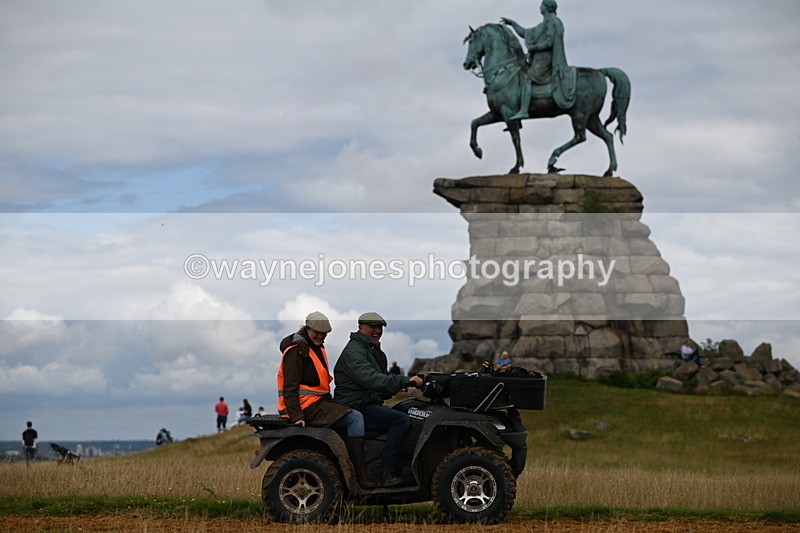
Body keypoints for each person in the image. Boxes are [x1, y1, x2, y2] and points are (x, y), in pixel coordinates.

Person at [278, 311, 375, 489]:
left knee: (351, 413)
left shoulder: (315, 348)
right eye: (316, 332)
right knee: (355, 418)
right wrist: (296, 416)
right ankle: (359, 475)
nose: (320, 336)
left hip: (318, 404)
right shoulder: (297, 351)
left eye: (324, 333)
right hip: (306, 407)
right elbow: (289, 387)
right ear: (307, 329)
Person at [334, 312, 423, 487]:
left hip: (365, 403)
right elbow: (371, 379)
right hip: (355, 406)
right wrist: (406, 381)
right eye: (372, 327)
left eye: (379, 327)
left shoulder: (369, 350)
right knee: (400, 420)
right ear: (360, 328)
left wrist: (401, 383)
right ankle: (387, 472)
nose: (377, 331)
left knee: (405, 410)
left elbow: (380, 379)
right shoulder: (354, 351)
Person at [501, 0, 576, 119]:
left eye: (541, 5)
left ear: (547, 7)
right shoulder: (544, 24)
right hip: (538, 60)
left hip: (545, 61)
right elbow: (526, 33)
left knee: (526, 78)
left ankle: (524, 110)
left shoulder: (552, 22)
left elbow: (549, 42)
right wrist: (513, 24)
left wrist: (534, 47)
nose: (539, 7)